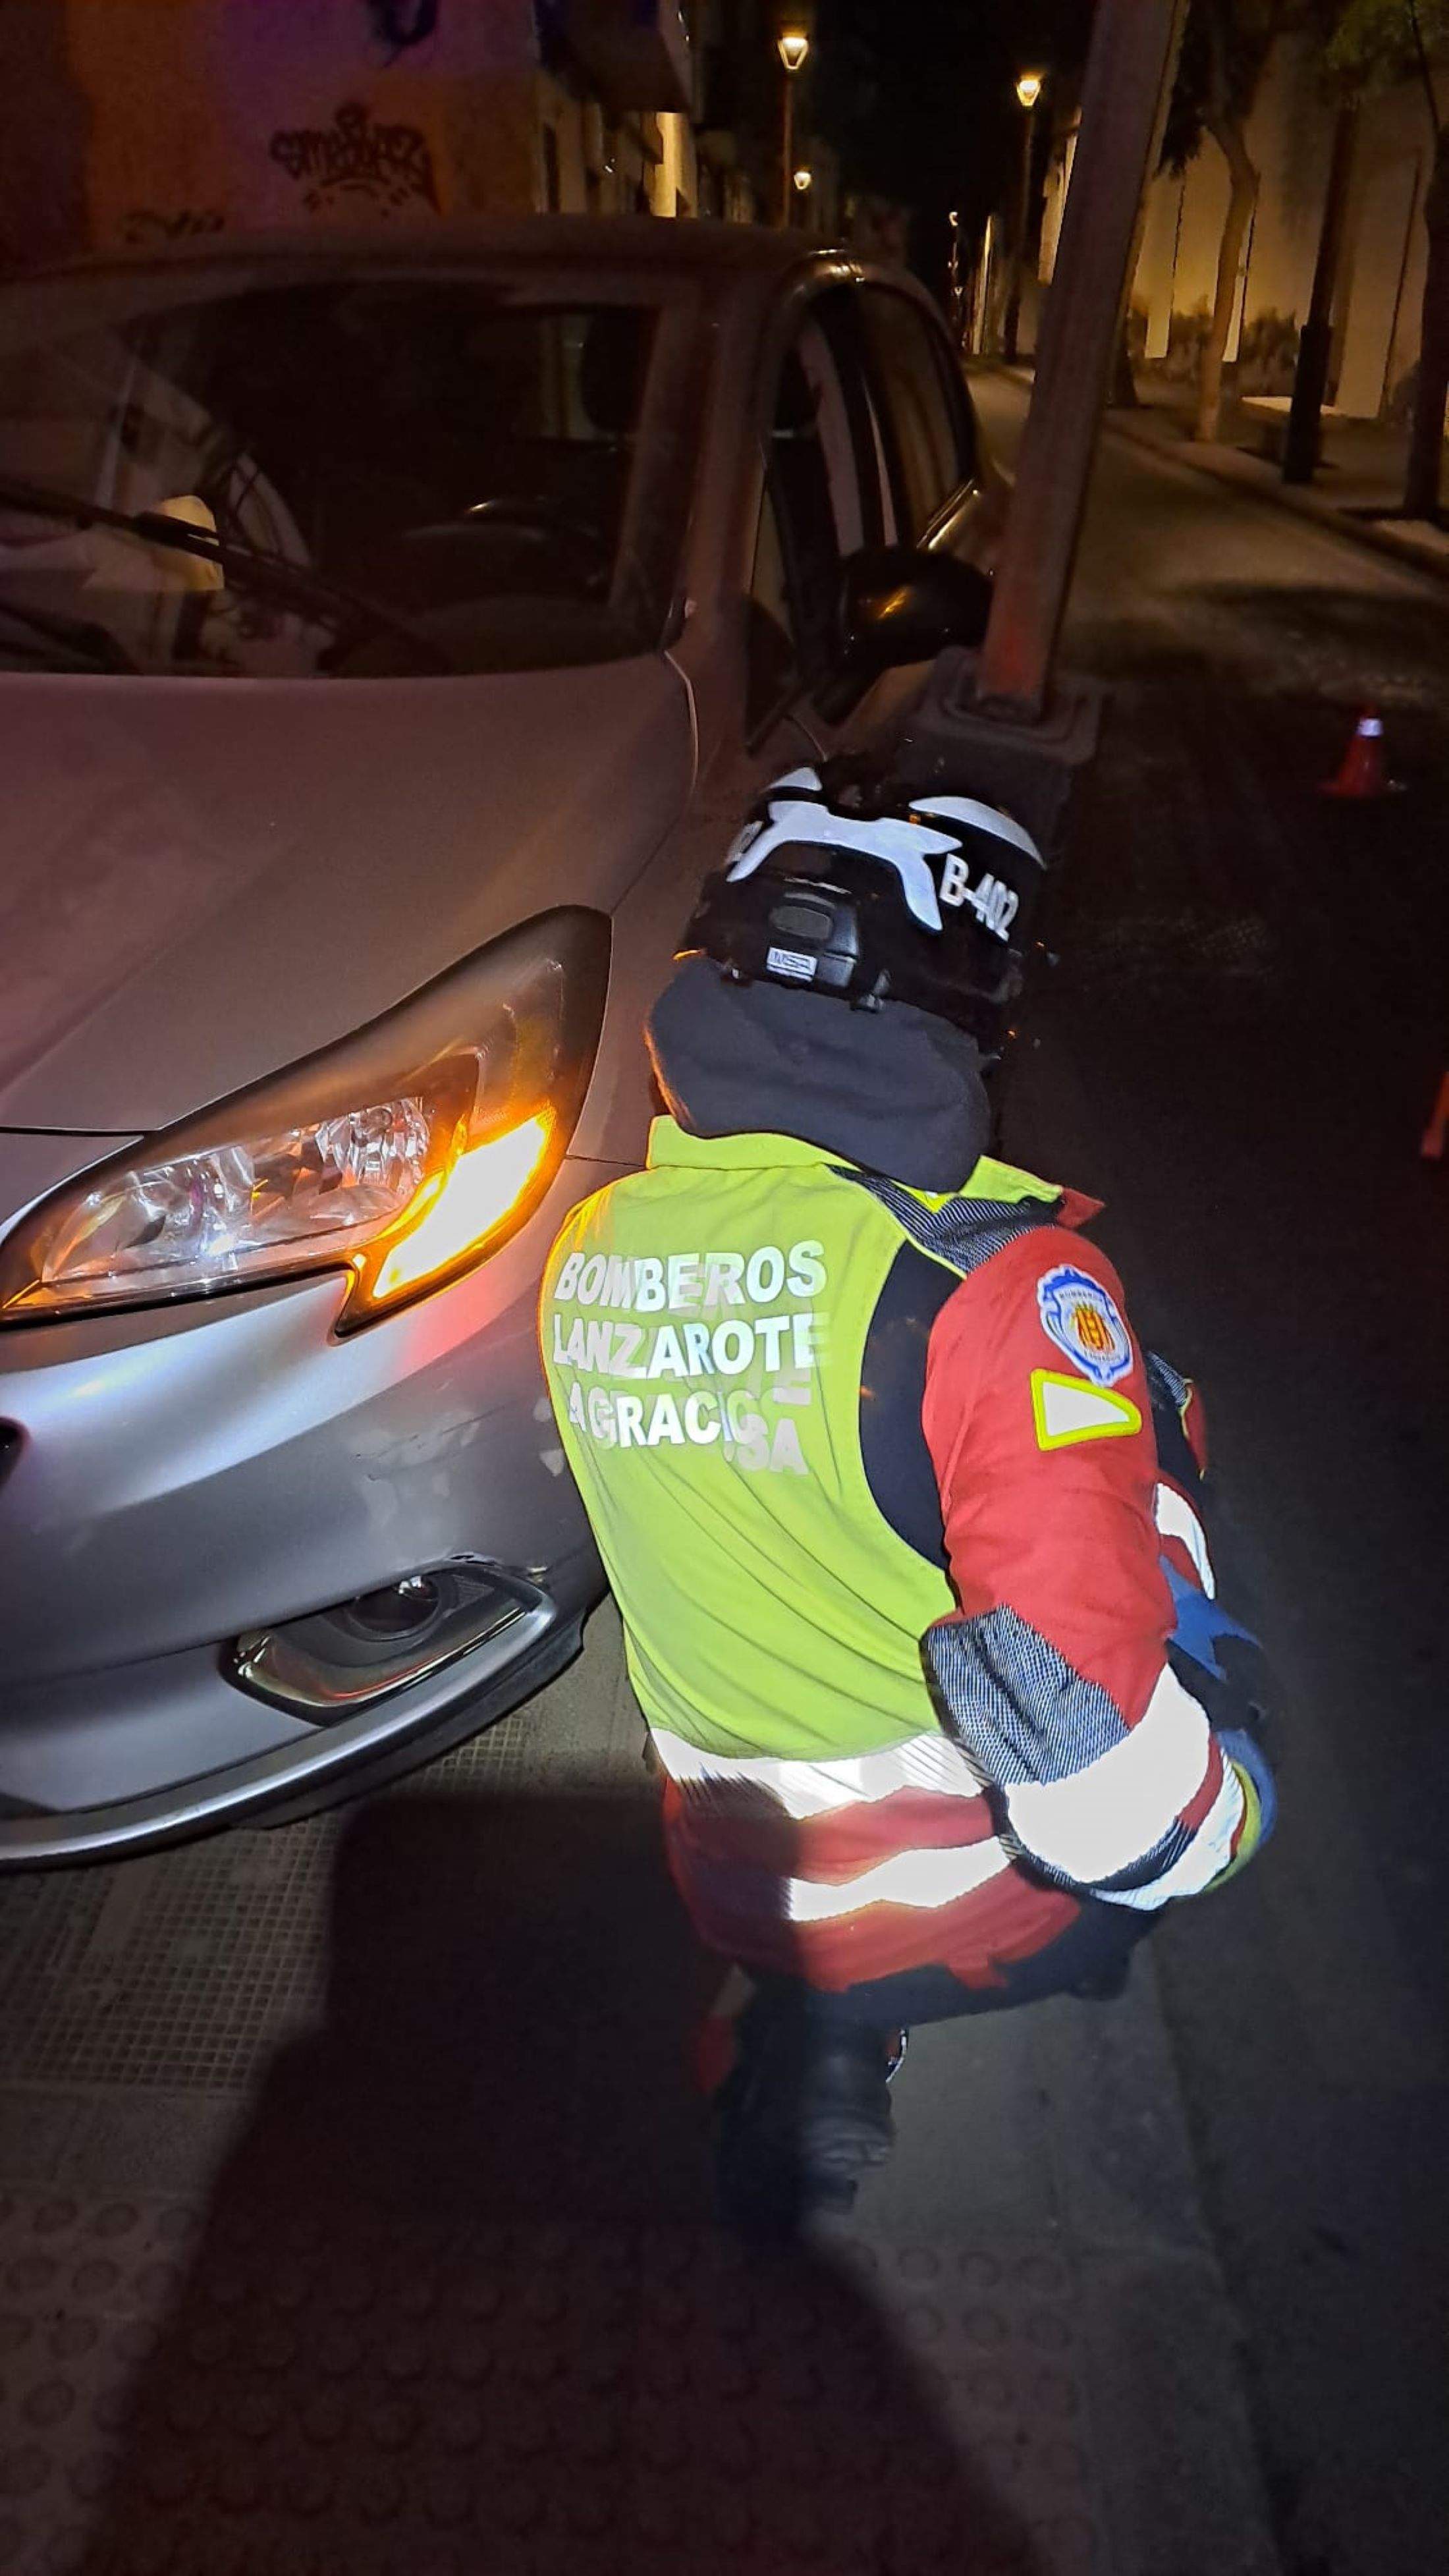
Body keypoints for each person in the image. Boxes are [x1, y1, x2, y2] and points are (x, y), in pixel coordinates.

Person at [539, 760, 1276, 2228]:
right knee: (1165, 1479)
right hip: (966, 1897)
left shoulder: (594, 1241)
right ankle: (860, 2029)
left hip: (719, 1869)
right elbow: (1100, 1803)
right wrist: (1226, 1812)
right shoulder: (998, 1297)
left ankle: (812, 2047)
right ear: (969, 1012)